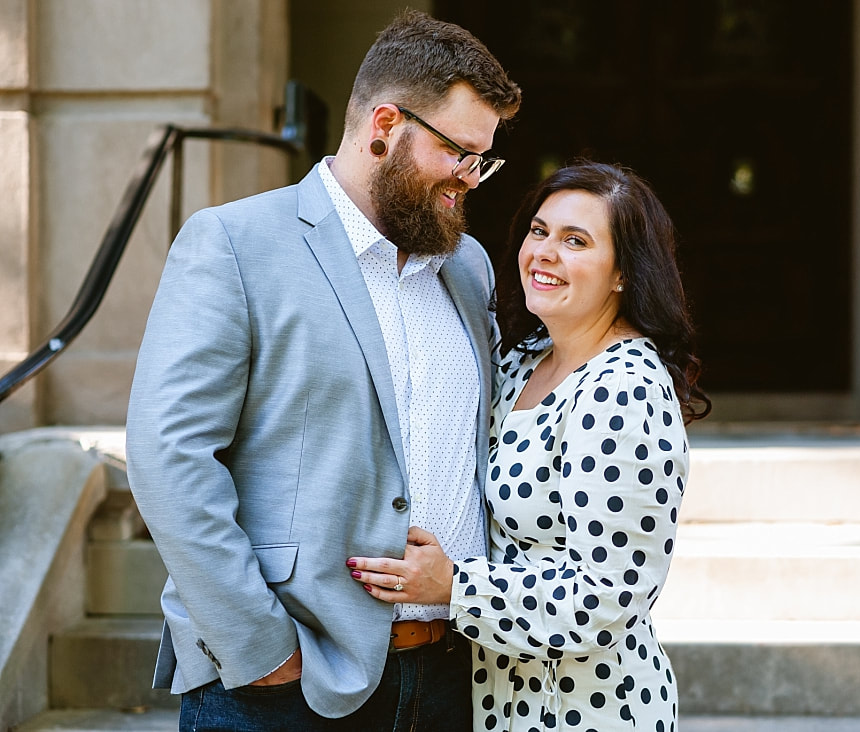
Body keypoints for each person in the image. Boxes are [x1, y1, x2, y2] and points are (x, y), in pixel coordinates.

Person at [126, 10, 520, 731]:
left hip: (450, 678)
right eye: (460, 151)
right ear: (385, 125)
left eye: (483, 159)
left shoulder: (469, 267)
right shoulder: (234, 244)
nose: (471, 177)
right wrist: (262, 648)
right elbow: (168, 458)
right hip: (284, 686)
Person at [348, 162, 711, 730]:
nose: (544, 252)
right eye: (539, 231)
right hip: (505, 697)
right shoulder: (523, 362)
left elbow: (608, 596)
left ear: (623, 273)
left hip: (587, 709)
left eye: (576, 241)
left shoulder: (624, 389)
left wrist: (452, 585)